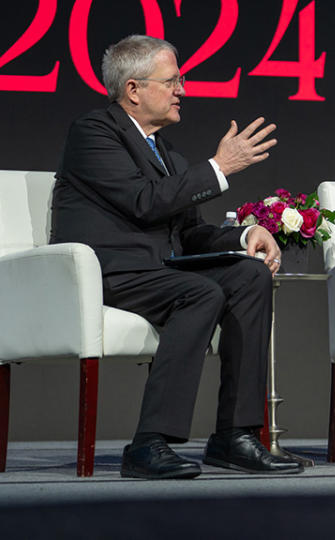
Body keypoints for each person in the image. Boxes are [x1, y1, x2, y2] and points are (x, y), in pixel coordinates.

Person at [51, 35, 303, 478]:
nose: (182, 90)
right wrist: (220, 167)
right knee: (200, 293)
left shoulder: (167, 153)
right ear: (133, 89)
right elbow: (144, 202)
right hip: (111, 274)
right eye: (172, 81)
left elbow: (188, 233)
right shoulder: (93, 132)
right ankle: (150, 443)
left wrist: (245, 235)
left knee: (250, 277)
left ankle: (235, 436)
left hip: (162, 272)